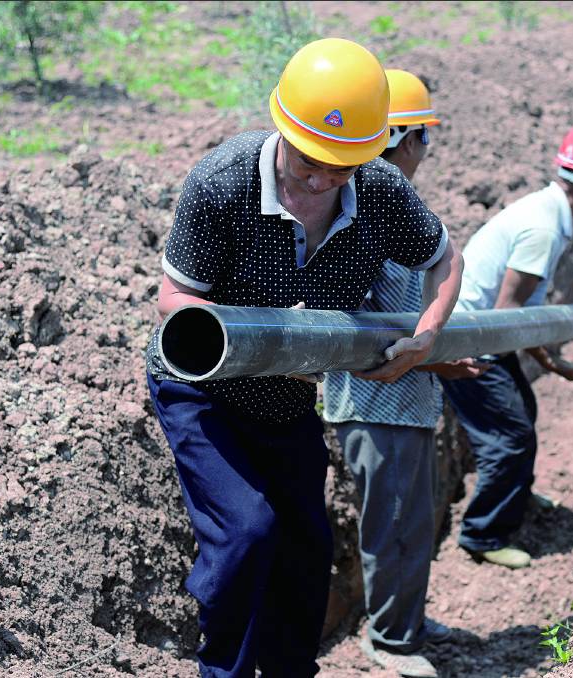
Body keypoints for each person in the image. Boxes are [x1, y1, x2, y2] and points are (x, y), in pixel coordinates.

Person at [144, 39, 463, 678]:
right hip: (204, 390)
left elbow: (444, 259)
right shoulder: (224, 180)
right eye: (308, 159)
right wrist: (259, 341)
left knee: (307, 547)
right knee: (245, 534)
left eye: (339, 168)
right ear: (283, 128)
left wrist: (424, 337)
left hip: (287, 396)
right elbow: (174, 296)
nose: (318, 180)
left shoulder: (379, 192)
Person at [323, 69, 484, 678]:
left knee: (415, 521)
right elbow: (362, 324)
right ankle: (389, 639)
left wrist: (435, 354)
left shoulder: (387, 199)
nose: (423, 153)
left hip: (407, 397)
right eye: (423, 138)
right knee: (391, 525)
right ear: (404, 136)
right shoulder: (370, 197)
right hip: (373, 399)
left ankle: (408, 621)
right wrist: (436, 354)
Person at [439, 122, 573, 570]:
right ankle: (484, 534)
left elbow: (517, 316)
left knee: (524, 414)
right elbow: (509, 317)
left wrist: (553, 361)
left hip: (483, 334)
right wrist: (564, 339)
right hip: (470, 342)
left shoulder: (543, 211)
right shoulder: (544, 228)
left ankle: (515, 497)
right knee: (509, 437)